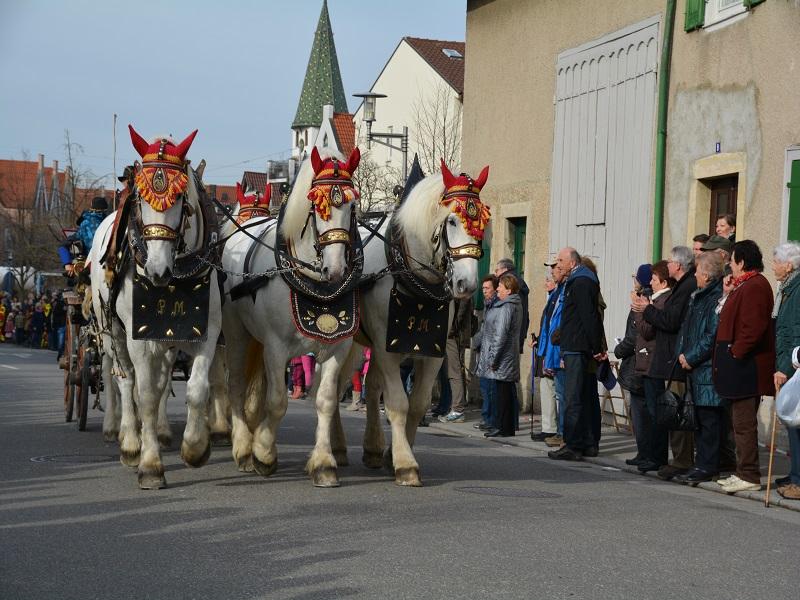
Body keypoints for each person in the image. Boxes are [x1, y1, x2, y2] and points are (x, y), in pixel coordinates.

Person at [713, 240, 775, 494]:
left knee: (744, 423)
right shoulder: (744, 286)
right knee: (738, 424)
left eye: (732, 260)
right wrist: (727, 295)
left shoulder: (756, 286)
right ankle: (742, 470)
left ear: (742, 262)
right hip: (738, 366)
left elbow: (753, 328)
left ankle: (749, 474)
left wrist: (736, 352)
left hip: (747, 368)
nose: (729, 265)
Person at [631, 247, 696, 479]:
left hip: (671, 357)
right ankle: (667, 457)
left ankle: (674, 459)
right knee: (664, 409)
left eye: (670, 261)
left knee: (671, 410)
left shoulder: (683, 288)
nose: (668, 264)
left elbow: (668, 322)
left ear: (677, 265)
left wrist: (644, 310)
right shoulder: (682, 287)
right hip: (666, 358)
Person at [672, 252, 726, 484]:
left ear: (707, 273)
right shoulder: (698, 296)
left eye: (697, 271)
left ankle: (708, 466)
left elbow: (711, 335)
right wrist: (681, 355)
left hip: (706, 369)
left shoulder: (715, 298)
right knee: (699, 421)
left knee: (709, 422)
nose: (695, 275)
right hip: (694, 367)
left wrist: (691, 357)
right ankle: (701, 464)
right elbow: (687, 330)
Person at [548, 247, 605, 461]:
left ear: (572, 263)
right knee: (584, 395)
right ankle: (588, 442)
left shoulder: (581, 282)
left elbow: (588, 316)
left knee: (573, 398)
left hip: (577, 348)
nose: (558, 264)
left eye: (560, 260)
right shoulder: (580, 280)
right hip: (578, 345)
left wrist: (597, 347)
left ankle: (573, 445)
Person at [614, 264, 652, 466]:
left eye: (636, 278)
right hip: (639, 362)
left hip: (637, 363)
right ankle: (644, 451)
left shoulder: (642, 301)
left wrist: (619, 350)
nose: (633, 282)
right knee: (639, 410)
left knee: (639, 410)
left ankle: (645, 452)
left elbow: (634, 336)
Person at [771, 242, 800, 500]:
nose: (774, 267)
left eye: (776, 262)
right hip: (789, 363)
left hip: (793, 366)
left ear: (788, 265)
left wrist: (784, 367)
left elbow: (794, 331)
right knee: (792, 423)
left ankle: (799, 481)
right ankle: (794, 475)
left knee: (796, 423)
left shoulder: (797, 290)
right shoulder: (787, 289)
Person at [480, 273, 522, 437]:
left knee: (502, 394)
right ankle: (507, 427)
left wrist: (493, 358)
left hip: (503, 357)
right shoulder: (511, 304)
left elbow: (501, 334)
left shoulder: (507, 307)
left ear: (509, 290)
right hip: (507, 355)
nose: (497, 289)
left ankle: (503, 427)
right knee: (505, 392)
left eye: (500, 287)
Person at [532, 263, 564, 442]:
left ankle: (555, 429)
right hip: (546, 348)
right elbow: (546, 326)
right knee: (547, 387)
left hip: (555, 349)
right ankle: (548, 427)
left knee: (557, 391)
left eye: (550, 278)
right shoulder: (552, 298)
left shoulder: (559, 296)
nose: (546, 281)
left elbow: (557, 327)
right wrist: (539, 342)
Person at [440, 297, 475, 423]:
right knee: (453, 372)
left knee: (454, 372)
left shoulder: (462, 291)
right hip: (453, 334)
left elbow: (460, 314)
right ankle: (457, 407)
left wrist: (449, 329)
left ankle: (458, 409)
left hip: (454, 336)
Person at [473, 275, 499, 431]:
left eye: (487, 288)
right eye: (482, 288)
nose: (484, 291)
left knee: (490, 388)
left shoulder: (496, 305)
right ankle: (487, 418)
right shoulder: (487, 304)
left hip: (490, 351)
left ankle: (490, 420)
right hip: (483, 350)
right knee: (485, 386)